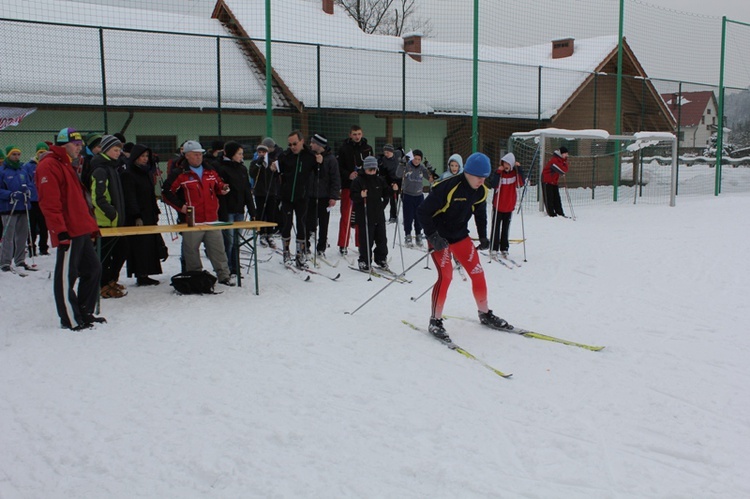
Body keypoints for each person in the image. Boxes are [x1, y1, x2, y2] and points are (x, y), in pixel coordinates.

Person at [417, 152, 511, 342]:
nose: (481, 181)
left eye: (484, 177)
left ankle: (485, 313)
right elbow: (423, 212)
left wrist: (483, 236)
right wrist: (433, 236)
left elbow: (480, 213)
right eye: (478, 177)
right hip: (439, 236)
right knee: (446, 276)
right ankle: (435, 320)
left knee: (477, 272)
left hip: (460, 235)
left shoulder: (481, 190)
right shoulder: (447, 187)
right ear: (468, 172)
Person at [36, 128, 104, 330]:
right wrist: (60, 230)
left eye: (81, 145)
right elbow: (50, 203)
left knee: (93, 269)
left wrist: (90, 226)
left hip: (81, 227)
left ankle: (84, 312)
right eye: (76, 144)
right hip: (69, 230)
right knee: (67, 275)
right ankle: (70, 318)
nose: (79, 148)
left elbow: (77, 199)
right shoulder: (49, 165)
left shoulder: (67, 165)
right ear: (63, 144)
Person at [162, 140, 234, 286]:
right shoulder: (180, 173)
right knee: (191, 252)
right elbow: (166, 192)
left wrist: (223, 188)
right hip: (192, 220)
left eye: (200, 154)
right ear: (186, 156)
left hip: (212, 219)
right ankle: (195, 276)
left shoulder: (211, 170)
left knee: (218, 249)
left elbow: (218, 185)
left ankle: (224, 275)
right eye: (195, 155)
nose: (198, 157)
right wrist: (181, 206)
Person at [120, 144, 167, 286]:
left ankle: (147, 272)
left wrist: (156, 210)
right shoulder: (128, 174)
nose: (145, 159)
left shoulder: (146, 172)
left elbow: (151, 194)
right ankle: (141, 273)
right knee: (140, 245)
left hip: (149, 213)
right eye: (142, 156)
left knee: (149, 244)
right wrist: (136, 215)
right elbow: (130, 197)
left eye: (147, 156)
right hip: (138, 215)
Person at [270, 130, 317, 269]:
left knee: (302, 224)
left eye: (295, 144)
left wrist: (319, 163)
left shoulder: (310, 156)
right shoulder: (285, 156)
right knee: (287, 223)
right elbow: (277, 173)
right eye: (290, 144)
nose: (292, 147)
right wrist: (274, 168)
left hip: (302, 196)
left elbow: (320, 173)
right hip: (286, 196)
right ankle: (286, 252)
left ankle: (300, 254)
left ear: (302, 141)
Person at [90, 135, 129, 298]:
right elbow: (98, 197)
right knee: (104, 256)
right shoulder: (100, 169)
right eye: (115, 150)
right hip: (105, 222)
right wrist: (112, 215)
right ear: (106, 150)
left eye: (119, 150)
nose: (118, 153)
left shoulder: (112, 167)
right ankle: (102, 284)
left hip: (116, 221)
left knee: (122, 251)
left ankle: (110, 280)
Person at [216, 141, 255, 276]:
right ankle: (226, 267)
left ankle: (235, 266)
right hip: (228, 210)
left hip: (239, 209)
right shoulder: (222, 168)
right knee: (228, 241)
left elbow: (246, 191)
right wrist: (223, 211)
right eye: (239, 154)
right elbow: (221, 192)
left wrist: (252, 210)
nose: (241, 156)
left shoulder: (242, 168)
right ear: (232, 154)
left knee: (237, 241)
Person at [350, 156, 396, 271]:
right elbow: (353, 196)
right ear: (365, 168)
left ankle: (381, 258)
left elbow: (386, 193)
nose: (372, 172)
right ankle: (364, 260)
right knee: (366, 239)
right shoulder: (358, 181)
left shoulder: (379, 180)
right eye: (370, 169)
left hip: (378, 213)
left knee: (381, 238)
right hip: (365, 214)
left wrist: (393, 189)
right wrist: (360, 195)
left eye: (374, 170)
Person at [336, 125, 373, 255]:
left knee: (361, 216)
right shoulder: (344, 148)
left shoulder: (367, 148)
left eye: (359, 134)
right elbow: (339, 168)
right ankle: (343, 244)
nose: (357, 136)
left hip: (363, 186)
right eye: (354, 134)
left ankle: (360, 243)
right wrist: (348, 174)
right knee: (346, 214)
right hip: (348, 186)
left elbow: (372, 166)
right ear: (350, 135)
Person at [0, 145, 36, 273]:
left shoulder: (22, 169)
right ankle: (5, 262)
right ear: (8, 155)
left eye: (18, 154)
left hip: (23, 206)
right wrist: (10, 194)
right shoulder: (2, 171)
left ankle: (20, 260)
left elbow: (31, 184)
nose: (16, 157)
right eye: (13, 154)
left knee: (22, 235)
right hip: (9, 208)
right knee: (8, 236)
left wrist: (28, 191)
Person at [305, 133, 340, 257]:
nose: (311, 144)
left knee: (324, 224)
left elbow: (335, 179)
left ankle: (321, 247)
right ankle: (305, 245)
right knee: (308, 222)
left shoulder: (331, 159)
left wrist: (333, 196)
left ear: (319, 145)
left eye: (313, 143)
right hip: (310, 196)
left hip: (324, 196)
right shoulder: (309, 157)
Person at [488, 153, 524, 255]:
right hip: (498, 205)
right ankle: (493, 247)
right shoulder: (499, 173)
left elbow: (521, 183)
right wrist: (498, 172)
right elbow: (493, 185)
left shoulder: (515, 173)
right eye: (504, 163)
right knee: (496, 227)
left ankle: (504, 247)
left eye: (508, 163)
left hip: (509, 205)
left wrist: (520, 169)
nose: (506, 165)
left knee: (505, 228)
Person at [249, 141, 280, 248]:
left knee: (271, 212)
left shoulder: (271, 162)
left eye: (264, 152)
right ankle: (261, 233)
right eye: (259, 152)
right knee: (260, 212)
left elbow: (276, 176)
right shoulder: (255, 163)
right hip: (260, 192)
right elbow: (252, 174)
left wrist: (274, 170)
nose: (262, 154)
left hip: (271, 192)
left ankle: (270, 234)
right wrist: (258, 164)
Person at [396, 149, 430, 247]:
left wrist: (429, 169)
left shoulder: (422, 168)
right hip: (408, 195)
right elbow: (398, 174)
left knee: (418, 217)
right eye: (415, 158)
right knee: (408, 217)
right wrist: (402, 163)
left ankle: (418, 235)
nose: (416, 161)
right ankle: (408, 235)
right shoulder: (407, 166)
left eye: (419, 159)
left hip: (419, 196)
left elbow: (431, 178)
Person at [24, 142, 51, 256]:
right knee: (32, 226)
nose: (41, 155)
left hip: (44, 201)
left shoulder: (49, 164)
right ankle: (31, 247)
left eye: (44, 152)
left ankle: (43, 248)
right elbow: (27, 181)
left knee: (44, 226)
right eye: (40, 152)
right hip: (32, 201)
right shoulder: (29, 166)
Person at [542, 146, 569, 217]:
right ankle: (551, 214)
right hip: (547, 180)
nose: (567, 155)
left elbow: (565, 169)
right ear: (561, 153)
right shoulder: (554, 160)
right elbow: (562, 170)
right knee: (549, 198)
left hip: (554, 181)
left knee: (557, 198)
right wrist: (564, 163)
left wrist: (564, 162)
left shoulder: (561, 160)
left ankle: (560, 213)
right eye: (565, 153)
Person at [378, 143, 401, 223]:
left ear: (392, 151)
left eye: (388, 152)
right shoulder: (383, 160)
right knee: (389, 198)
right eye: (385, 152)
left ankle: (394, 216)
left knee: (398, 198)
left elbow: (402, 152)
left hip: (400, 179)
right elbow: (383, 174)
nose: (386, 154)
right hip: (390, 180)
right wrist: (391, 183)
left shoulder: (398, 154)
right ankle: (378, 214)